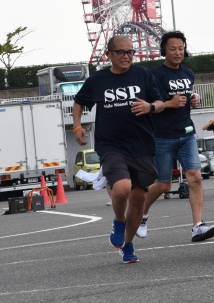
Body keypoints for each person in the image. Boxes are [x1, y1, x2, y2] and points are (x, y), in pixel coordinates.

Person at [73, 35, 165, 263]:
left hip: (142, 146)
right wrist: (77, 127)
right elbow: (79, 101)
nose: (127, 56)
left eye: (130, 52)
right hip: (111, 145)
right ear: (109, 55)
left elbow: (161, 103)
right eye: (121, 52)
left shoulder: (143, 74)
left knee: (137, 201)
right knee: (122, 189)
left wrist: (150, 106)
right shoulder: (99, 79)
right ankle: (118, 220)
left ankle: (128, 244)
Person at [136, 31, 214, 243]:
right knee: (163, 185)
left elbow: (187, 94)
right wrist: (170, 104)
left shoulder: (188, 74)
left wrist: (194, 99)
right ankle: (141, 215)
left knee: (196, 177)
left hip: (187, 134)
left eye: (181, 48)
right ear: (164, 51)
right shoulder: (155, 75)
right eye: (172, 48)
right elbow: (147, 106)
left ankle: (197, 226)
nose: (177, 52)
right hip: (162, 137)